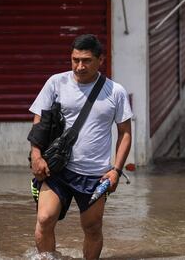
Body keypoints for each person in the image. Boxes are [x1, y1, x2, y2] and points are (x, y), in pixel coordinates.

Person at [29, 34, 132, 260]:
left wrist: (115, 170)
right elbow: (39, 124)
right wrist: (36, 156)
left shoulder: (115, 91)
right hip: (57, 169)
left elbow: (125, 134)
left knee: (92, 228)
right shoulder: (56, 83)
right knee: (45, 219)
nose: (79, 66)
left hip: (95, 174)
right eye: (75, 60)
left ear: (100, 60)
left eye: (86, 60)